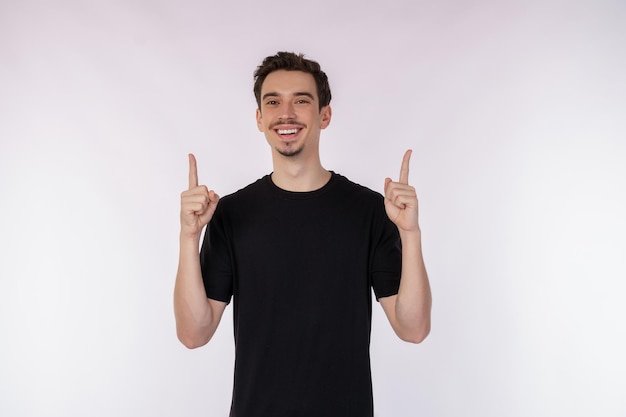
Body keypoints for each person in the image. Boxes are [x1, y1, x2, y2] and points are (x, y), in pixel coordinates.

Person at [174, 51, 432, 417]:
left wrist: (410, 233)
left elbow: (414, 328)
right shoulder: (231, 214)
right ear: (260, 119)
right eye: (273, 101)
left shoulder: (370, 211)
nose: (287, 113)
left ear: (325, 115)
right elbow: (193, 334)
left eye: (302, 101)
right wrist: (188, 238)